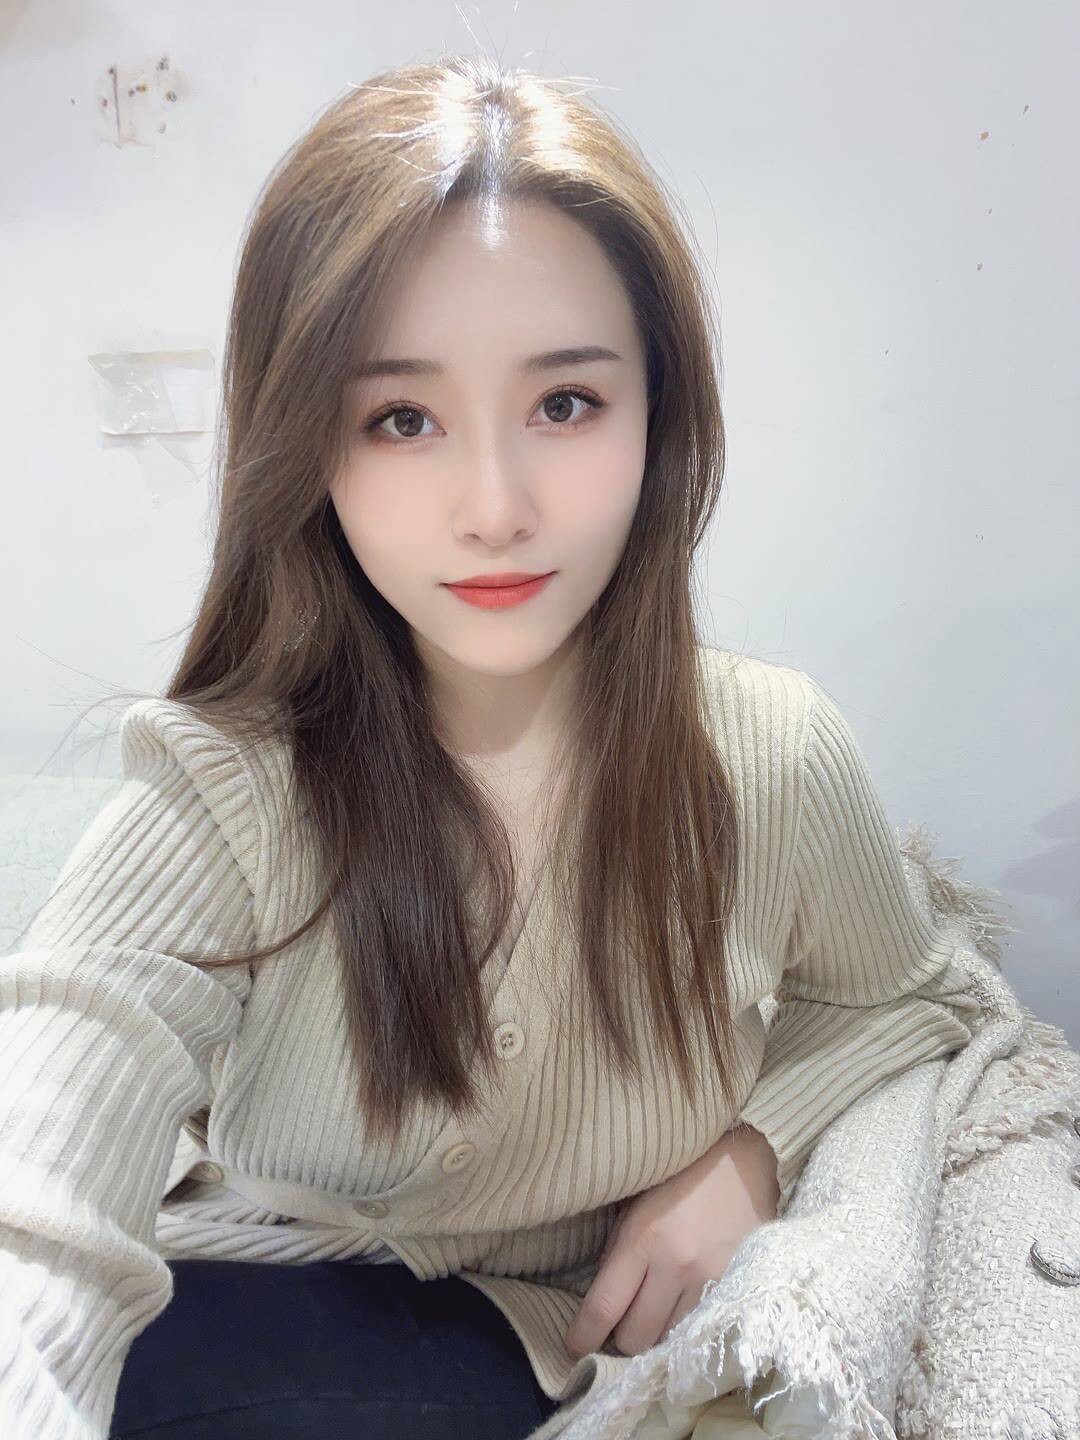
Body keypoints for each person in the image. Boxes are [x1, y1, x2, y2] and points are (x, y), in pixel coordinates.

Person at [0, 50, 989, 1440]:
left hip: (523, 1349)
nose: (496, 507)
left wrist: (751, 1154)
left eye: (565, 403)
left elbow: (913, 999)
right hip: (232, 1298)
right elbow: (40, 1184)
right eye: (401, 418)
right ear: (310, 448)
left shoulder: (770, 755)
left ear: (661, 419)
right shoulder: (226, 789)